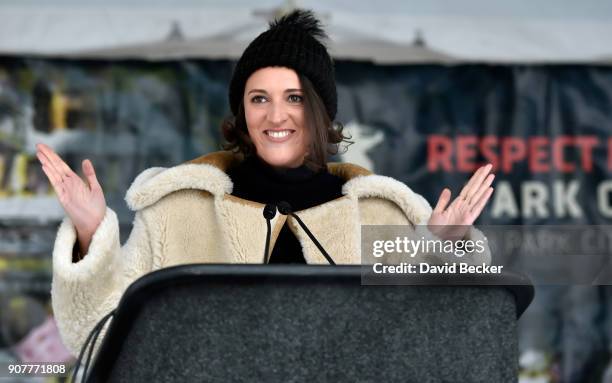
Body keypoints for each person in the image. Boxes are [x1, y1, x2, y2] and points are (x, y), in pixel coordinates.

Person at [36, 10, 495, 357]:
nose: (276, 116)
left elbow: (430, 340)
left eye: (294, 98)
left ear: (320, 113)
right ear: (242, 114)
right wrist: (90, 234)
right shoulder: (175, 211)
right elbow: (96, 338)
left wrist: (441, 247)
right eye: (260, 98)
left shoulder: (382, 216)